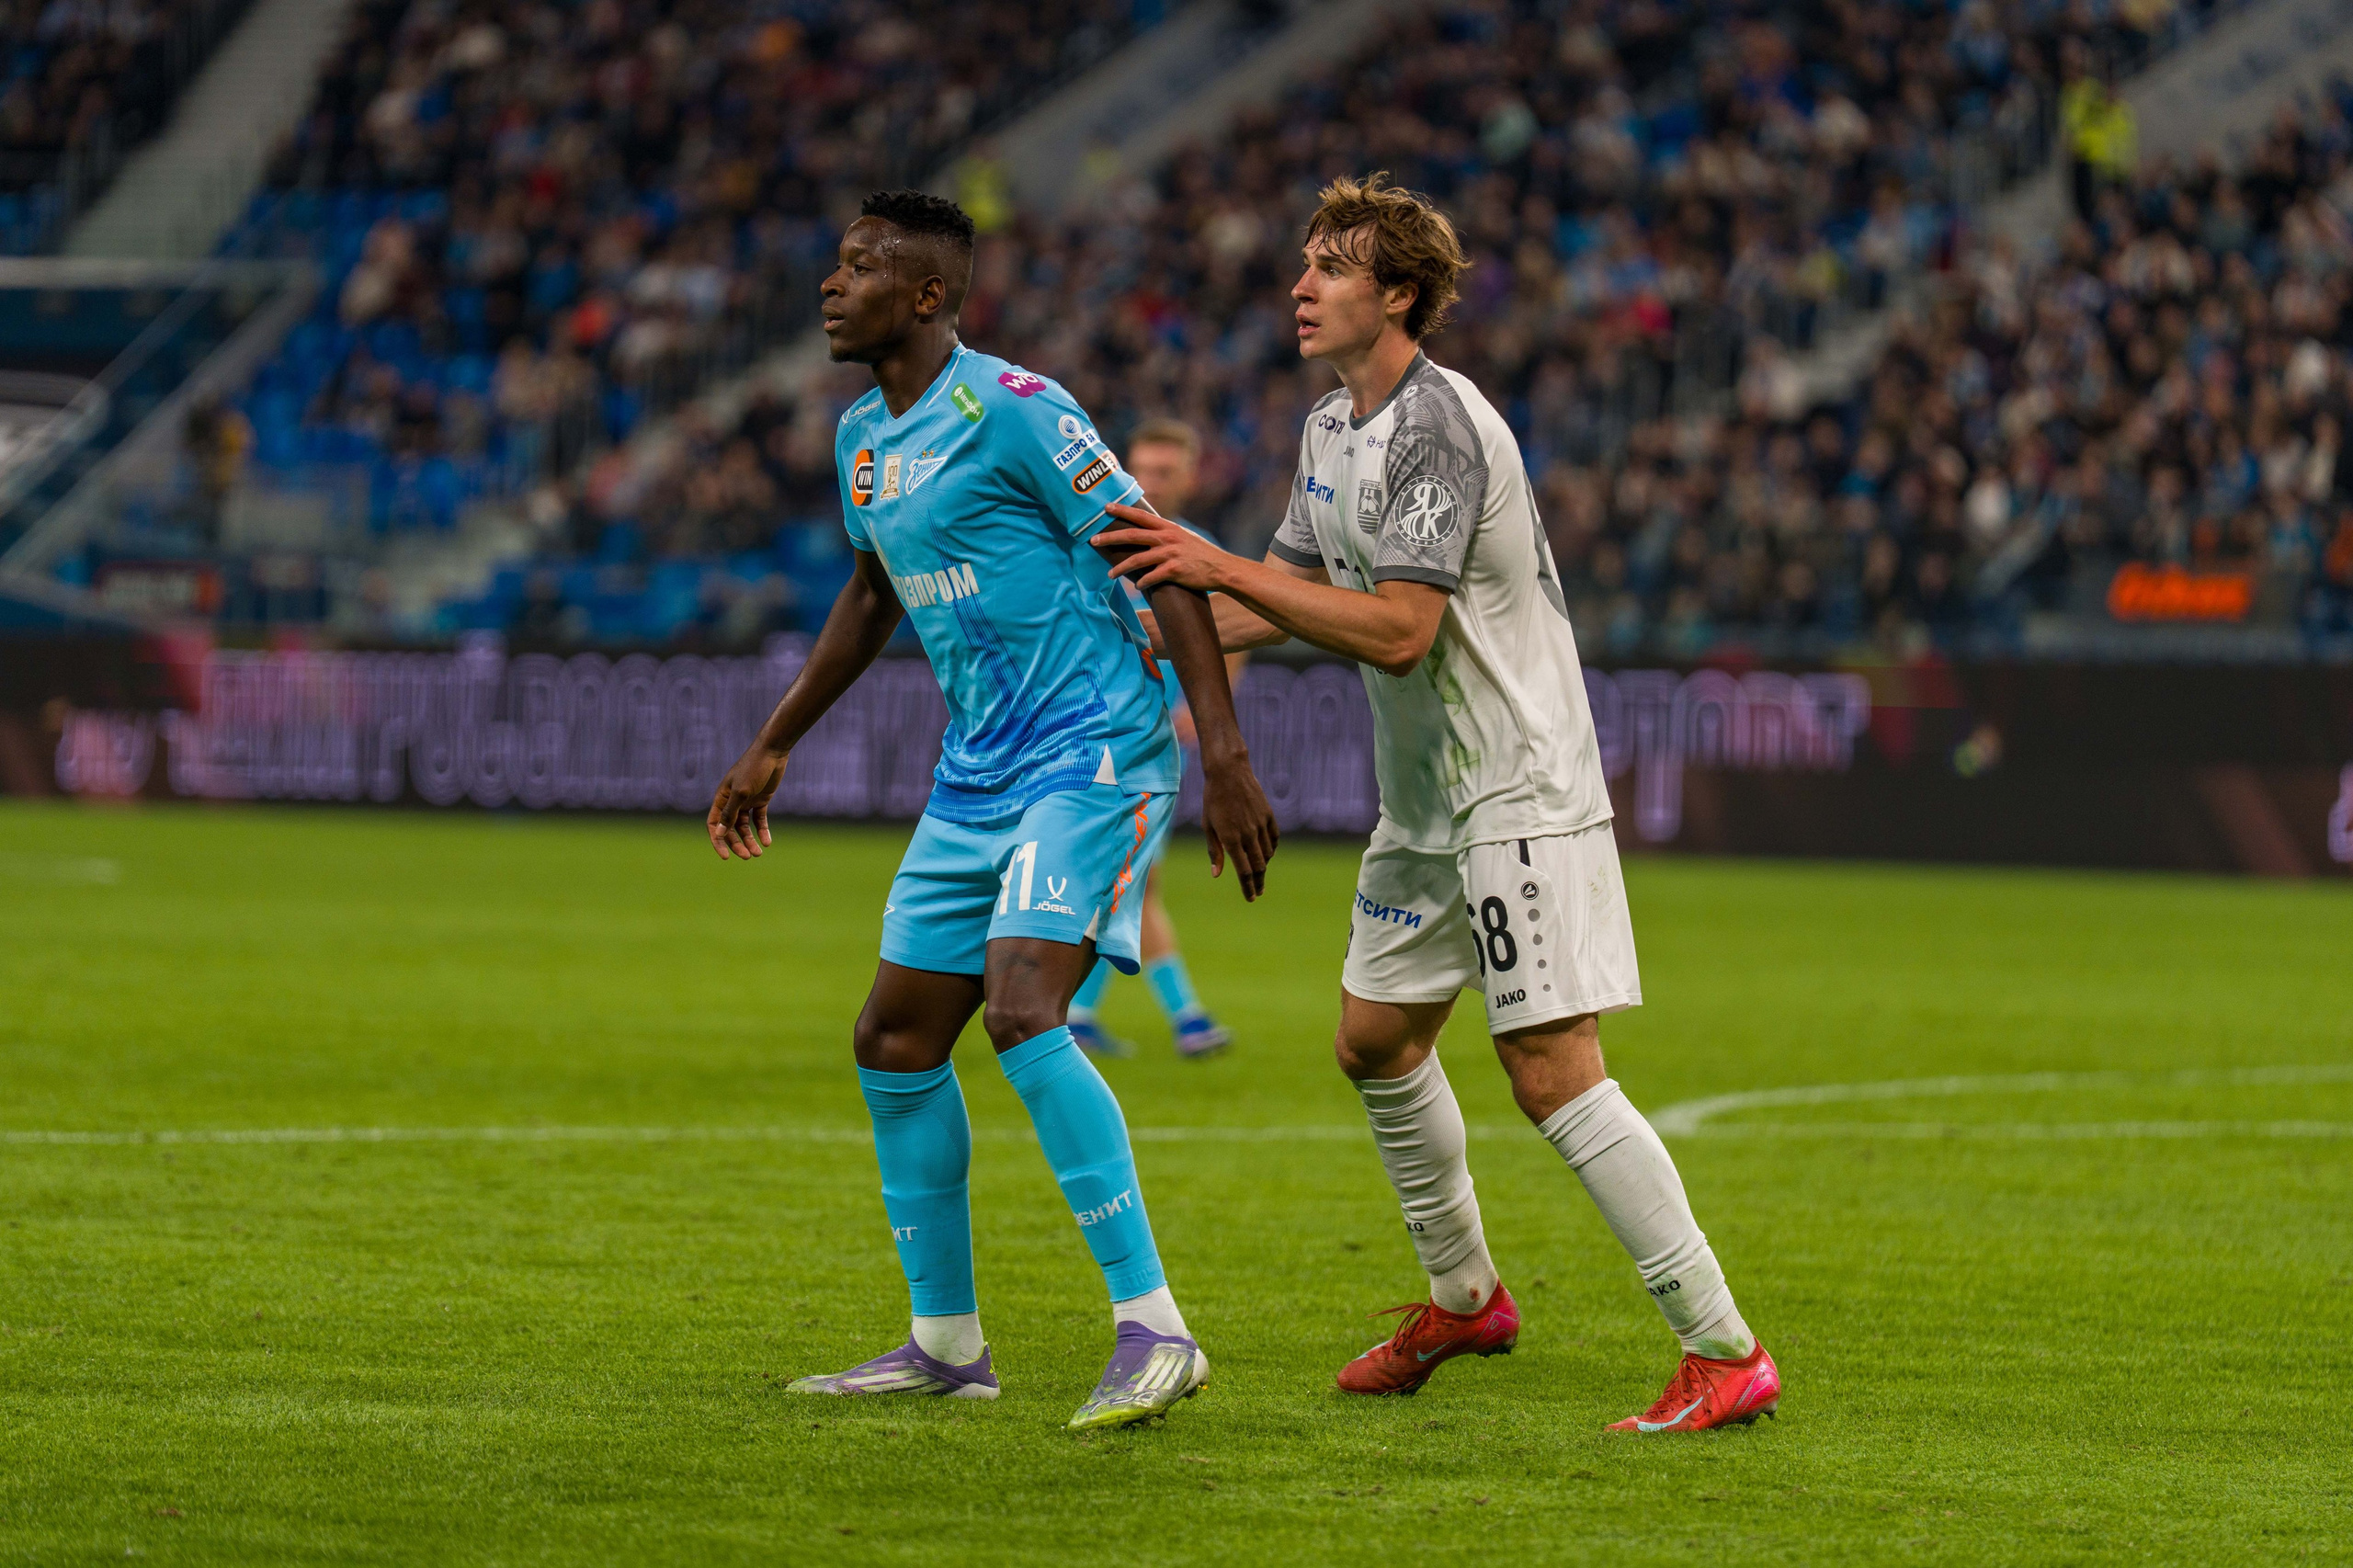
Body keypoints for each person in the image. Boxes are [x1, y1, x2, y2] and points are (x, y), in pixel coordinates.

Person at [1096, 175, 1779, 1434]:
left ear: (1397, 293)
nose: (1301, 283)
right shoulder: (1328, 430)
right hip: (1422, 802)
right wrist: (1141, 626)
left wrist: (1210, 564)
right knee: (1374, 1038)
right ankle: (1465, 1297)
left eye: (1332, 265)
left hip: (1514, 785)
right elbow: (1279, 600)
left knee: (1550, 1068)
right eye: (1303, 259)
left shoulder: (1437, 430)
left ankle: (1721, 1345)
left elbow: (1402, 630)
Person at [706, 190, 1279, 1431]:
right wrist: (774, 742)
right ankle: (946, 1344)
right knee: (896, 1039)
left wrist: (1223, 751)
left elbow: (1160, 553)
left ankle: (1157, 1327)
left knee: (1024, 1005)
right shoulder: (863, 435)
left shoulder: (1018, 410)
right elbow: (870, 596)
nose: (831, 284)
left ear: (924, 296)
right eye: (835, 261)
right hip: (977, 775)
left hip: (1094, 755)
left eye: (859, 268)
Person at [1067, 416, 1245, 1061]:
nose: (1151, 482)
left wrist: (1206, 711)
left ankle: (1098, 1014)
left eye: (1167, 471)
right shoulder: (1095, 540)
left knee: (1129, 880)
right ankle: (1173, 1018)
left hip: (1147, 746)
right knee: (1127, 880)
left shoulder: (1195, 548)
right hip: (1094, 739)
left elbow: (1235, 632)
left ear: (1192, 476)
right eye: (1141, 468)